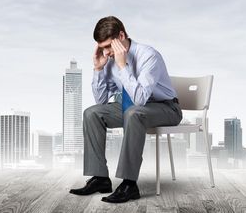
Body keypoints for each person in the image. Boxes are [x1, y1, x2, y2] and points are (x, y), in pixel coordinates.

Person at [69, 16, 182, 203]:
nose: (106, 52)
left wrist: (122, 66)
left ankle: (129, 184)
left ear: (121, 35)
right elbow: (101, 101)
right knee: (92, 113)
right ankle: (100, 179)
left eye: (108, 46)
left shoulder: (148, 55)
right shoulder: (108, 60)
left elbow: (139, 99)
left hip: (166, 108)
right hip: (132, 109)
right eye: (102, 47)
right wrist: (98, 69)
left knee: (133, 113)